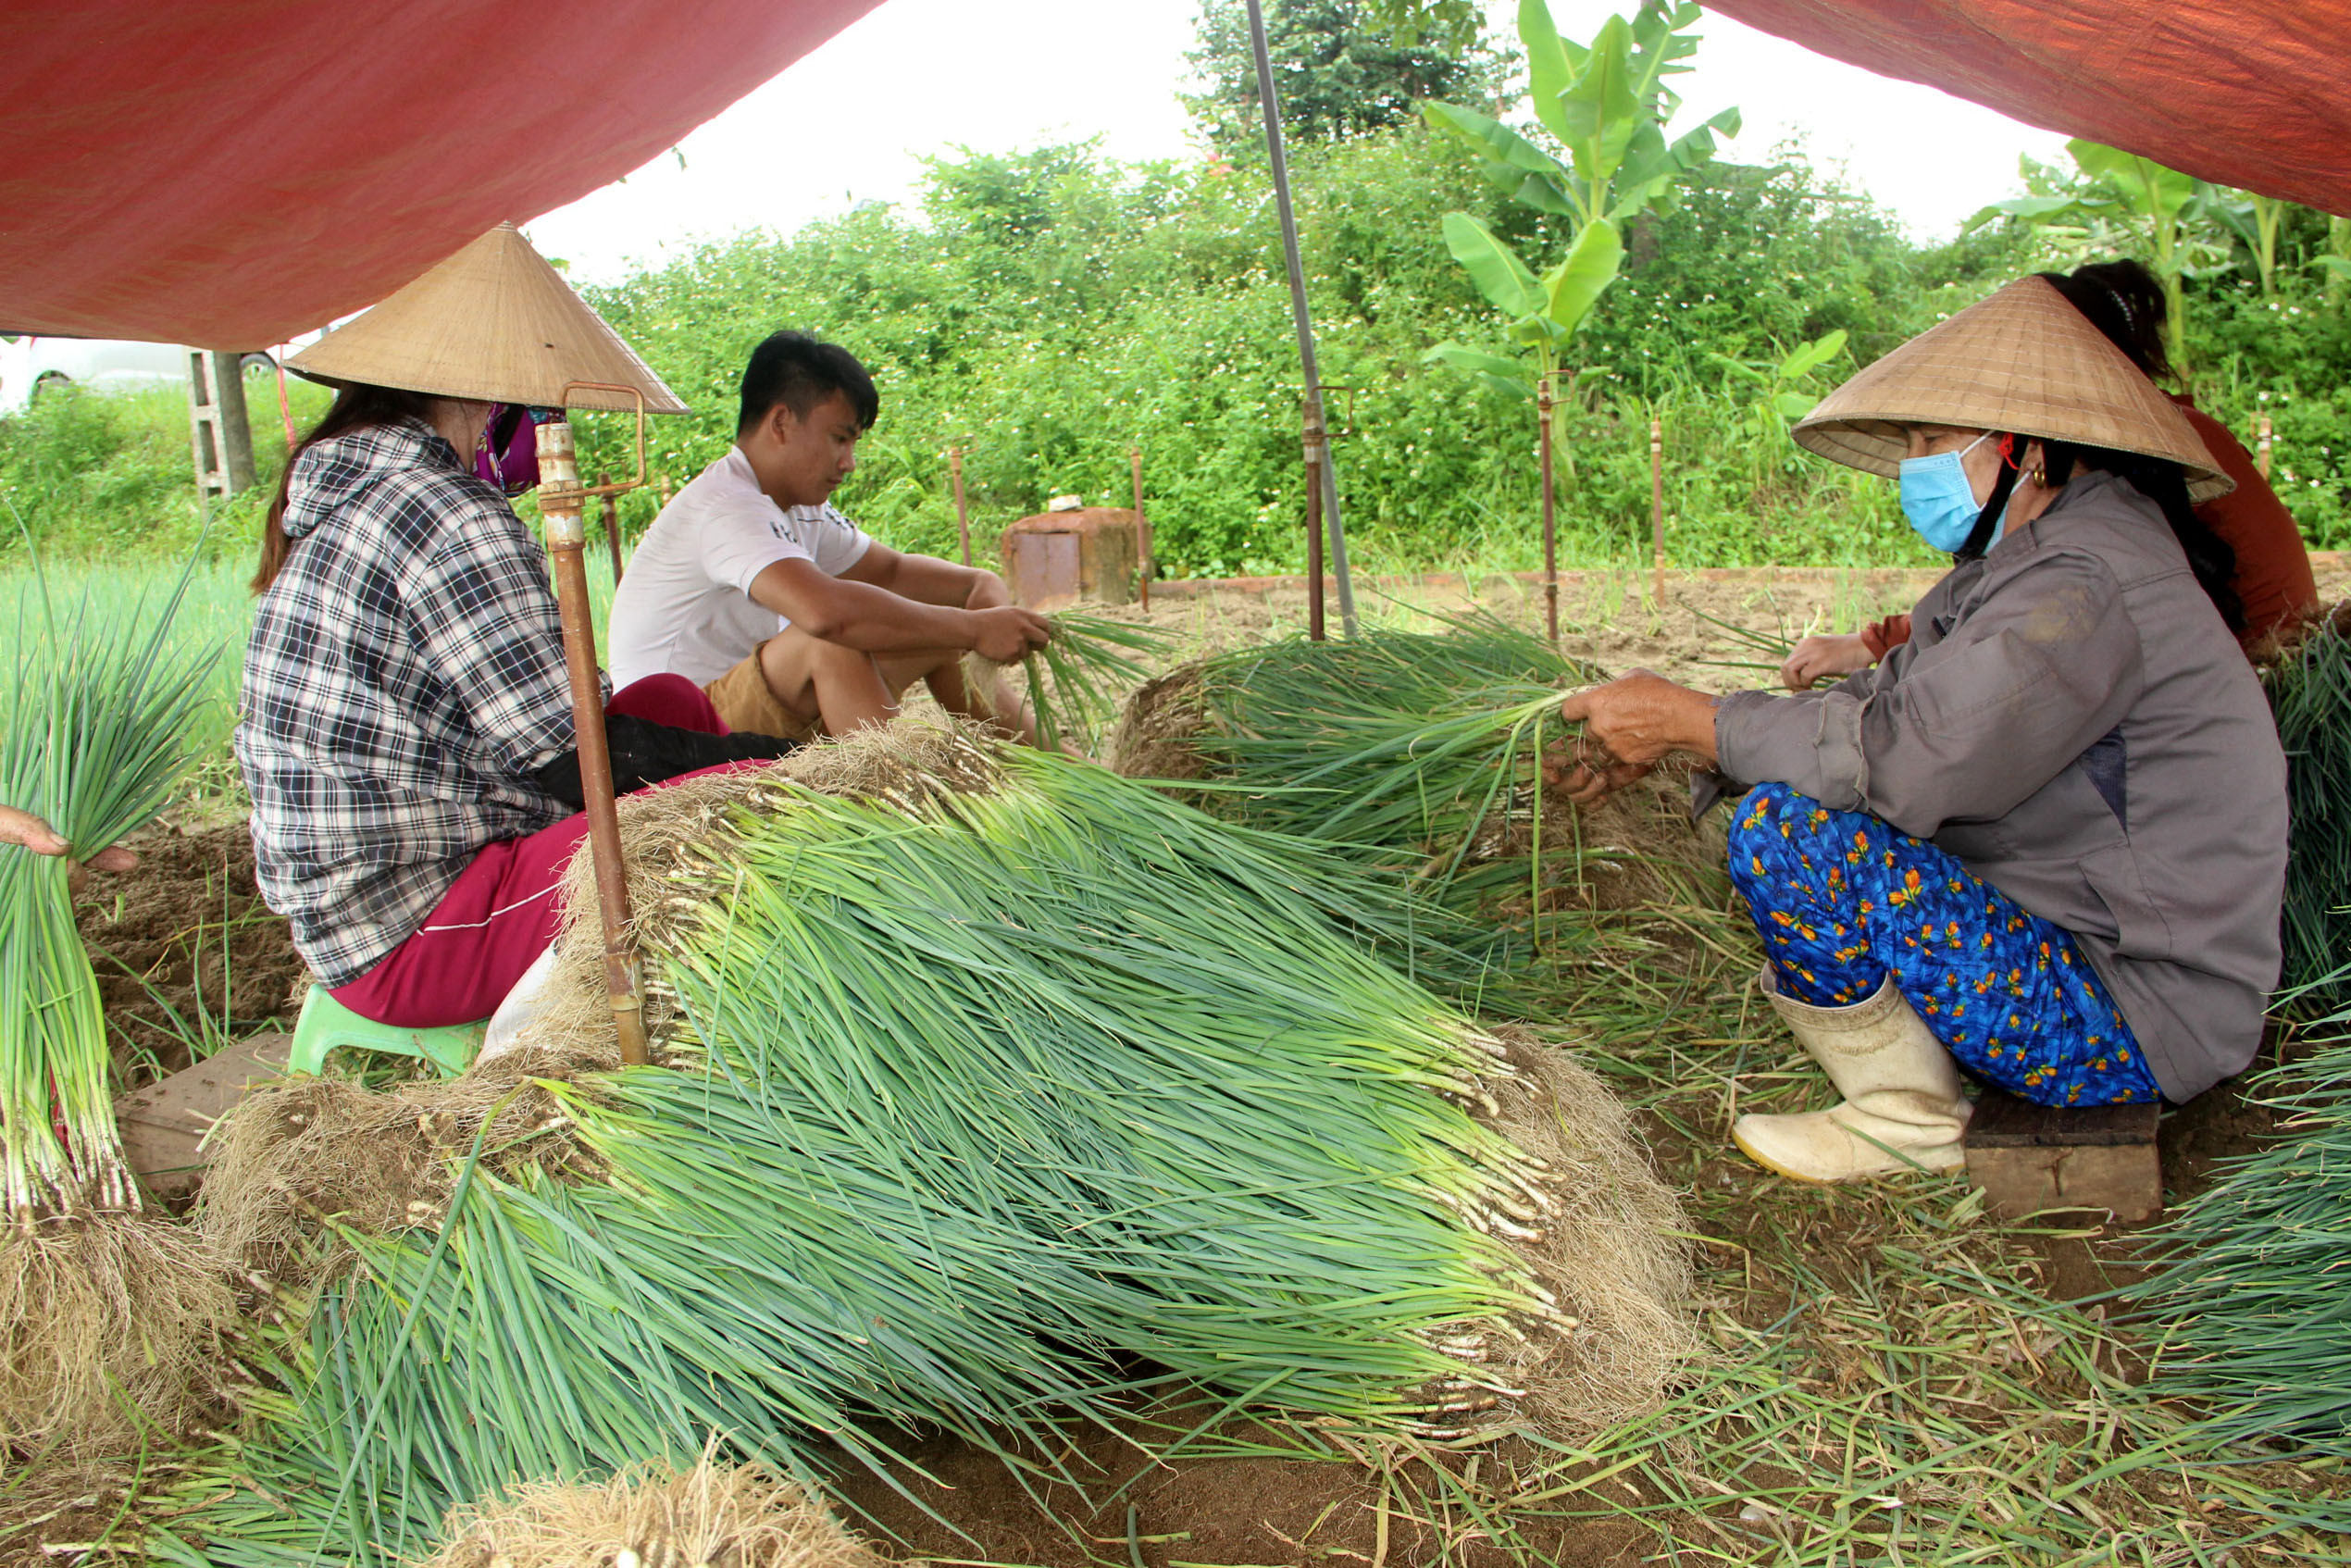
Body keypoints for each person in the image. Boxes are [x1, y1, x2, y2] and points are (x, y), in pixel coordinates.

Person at [1550, 275, 2287, 1185]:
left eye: (1931, 440)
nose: (1913, 464)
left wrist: (1692, 722)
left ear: (2023, 449)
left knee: (1790, 839)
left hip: (2131, 1014)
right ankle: (1910, 1093)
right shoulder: (2024, 565)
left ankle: (1905, 1117)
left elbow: (1909, 756)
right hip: (2078, 948)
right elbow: (1880, 708)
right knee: (1795, 809)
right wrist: (1683, 734)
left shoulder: (2083, 583)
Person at [240, 224, 791, 1033]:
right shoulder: (442, 510)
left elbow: (562, 733)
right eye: (535, 408)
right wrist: (783, 768)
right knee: (734, 812)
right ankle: (704, 1007)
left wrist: (750, 759)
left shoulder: (369, 490)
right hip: (409, 928)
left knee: (669, 701)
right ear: (483, 401)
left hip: (403, 872)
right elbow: (570, 761)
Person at [1781, 259, 2320, 690]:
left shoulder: (2141, 463)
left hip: (2264, 685)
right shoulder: (2111, 471)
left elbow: (2034, 623)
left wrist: (1879, 648)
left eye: (1931, 440)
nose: (1915, 462)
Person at [606, 331, 1053, 743]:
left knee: (939, 637)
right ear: (780, 423)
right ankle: (908, 809)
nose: (849, 462)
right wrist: (974, 627)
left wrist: (976, 587)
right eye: (840, 438)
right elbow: (827, 616)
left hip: (747, 707)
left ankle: (1066, 778)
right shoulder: (726, 506)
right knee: (830, 639)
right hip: (677, 730)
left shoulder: (799, 508)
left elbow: (893, 571)